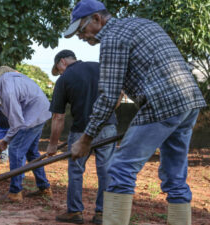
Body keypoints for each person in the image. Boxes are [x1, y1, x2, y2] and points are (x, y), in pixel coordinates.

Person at [64, 0, 207, 224]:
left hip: (162, 104)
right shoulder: (142, 24)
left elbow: (109, 96)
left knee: (120, 169)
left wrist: (86, 139)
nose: (81, 37)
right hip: (189, 102)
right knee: (175, 176)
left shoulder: (112, 38)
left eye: (81, 30)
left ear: (97, 19)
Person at [47, 49, 118, 224]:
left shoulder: (64, 79)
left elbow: (58, 117)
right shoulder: (99, 67)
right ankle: (102, 213)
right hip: (108, 127)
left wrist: (52, 144)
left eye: (59, 70)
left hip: (81, 130)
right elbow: (118, 94)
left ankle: (75, 212)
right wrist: (106, 115)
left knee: (76, 170)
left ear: (61, 62)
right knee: (106, 169)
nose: (60, 74)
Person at [0, 63, 52, 202]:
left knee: (15, 150)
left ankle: (15, 192)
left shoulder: (8, 92)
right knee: (32, 152)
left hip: (34, 115)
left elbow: (16, 123)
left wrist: (5, 141)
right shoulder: (6, 79)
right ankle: (44, 187)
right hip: (40, 111)